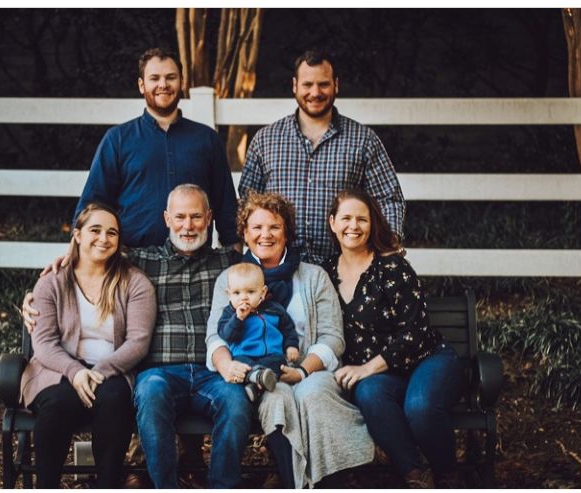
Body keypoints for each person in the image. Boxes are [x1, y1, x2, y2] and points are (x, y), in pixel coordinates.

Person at [23, 184, 250, 489]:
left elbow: (265, 273)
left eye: (196, 217)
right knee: (145, 394)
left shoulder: (229, 264)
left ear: (209, 218)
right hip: (156, 373)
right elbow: (93, 253)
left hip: (210, 370)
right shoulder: (142, 262)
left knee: (234, 402)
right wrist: (49, 278)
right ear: (166, 219)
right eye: (180, 217)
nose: (188, 225)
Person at [206, 191, 375, 488]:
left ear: (287, 233)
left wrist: (303, 371)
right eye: (257, 227)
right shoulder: (231, 279)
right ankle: (294, 483)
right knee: (276, 400)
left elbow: (332, 336)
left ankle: (329, 484)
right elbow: (215, 337)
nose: (265, 234)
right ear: (245, 233)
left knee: (313, 394)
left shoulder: (314, 276)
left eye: (275, 226)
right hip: (261, 374)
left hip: (310, 368)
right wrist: (226, 366)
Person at [322, 189, 463, 488]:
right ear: (332, 222)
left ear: (372, 224)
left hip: (427, 359)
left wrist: (366, 368)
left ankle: (447, 475)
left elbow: (415, 332)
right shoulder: (326, 274)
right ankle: (416, 475)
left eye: (362, 219)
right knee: (368, 393)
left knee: (420, 408)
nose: (353, 226)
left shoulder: (392, 267)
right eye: (346, 218)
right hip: (384, 376)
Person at [20, 202, 156, 488]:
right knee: (57, 403)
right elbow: (43, 343)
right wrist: (76, 372)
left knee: (114, 399)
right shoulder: (52, 282)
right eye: (95, 230)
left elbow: (138, 341)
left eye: (112, 233)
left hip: (115, 370)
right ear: (78, 235)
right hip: (57, 369)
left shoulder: (135, 282)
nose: (103, 238)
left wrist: (97, 373)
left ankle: (107, 485)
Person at [238, 49, 405, 264]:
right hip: (278, 269)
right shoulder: (266, 140)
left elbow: (388, 199)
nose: (315, 92)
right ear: (295, 85)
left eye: (323, 84)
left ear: (336, 85)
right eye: (307, 84)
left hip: (343, 267)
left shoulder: (363, 140)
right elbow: (247, 203)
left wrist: (387, 250)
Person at [74, 47, 239, 249]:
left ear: (182, 82)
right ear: (141, 85)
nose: (163, 84)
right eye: (154, 78)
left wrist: (236, 261)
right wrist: (73, 256)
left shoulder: (207, 140)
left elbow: (226, 210)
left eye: (171, 77)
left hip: (196, 262)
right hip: (132, 260)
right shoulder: (117, 140)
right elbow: (92, 206)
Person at [217, 262, 300, 402]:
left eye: (250, 292)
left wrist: (291, 345)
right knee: (240, 365)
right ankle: (257, 377)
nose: (243, 298)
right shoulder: (230, 313)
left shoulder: (274, 309)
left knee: (279, 363)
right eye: (237, 293)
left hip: (271, 355)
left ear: (263, 292)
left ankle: (255, 385)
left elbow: (288, 328)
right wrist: (238, 319)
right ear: (229, 294)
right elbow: (227, 335)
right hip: (244, 355)